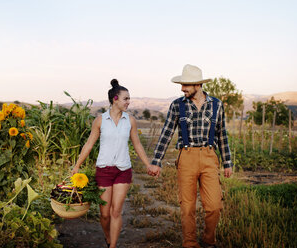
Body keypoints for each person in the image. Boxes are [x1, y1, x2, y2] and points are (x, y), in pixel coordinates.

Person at [151, 64, 233, 248]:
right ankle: (189, 243)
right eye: (181, 85)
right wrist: (156, 161)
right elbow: (166, 133)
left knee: (214, 206)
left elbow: (222, 135)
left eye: (186, 84)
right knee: (187, 207)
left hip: (209, 156)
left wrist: (227, 162)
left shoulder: (217, 105)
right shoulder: (177, 105)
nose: (182, 88)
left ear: (198, 85)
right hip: (186, 157)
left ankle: (208, 240)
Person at [71, 79, 160, 248]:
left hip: (123, 170)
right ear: (115, 99)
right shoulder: (100, 120)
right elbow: (89, 144)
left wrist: (148, 164)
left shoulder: (130, 120)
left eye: (129, 99)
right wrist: (77, 166)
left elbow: (137, 144)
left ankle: (113, 246)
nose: (129, 102)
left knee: (116, 211)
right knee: (104, 214)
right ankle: (108, 237)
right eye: (126, 99)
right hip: (104, 170)